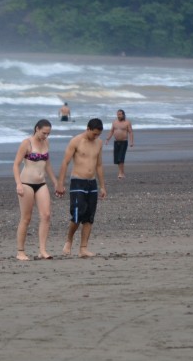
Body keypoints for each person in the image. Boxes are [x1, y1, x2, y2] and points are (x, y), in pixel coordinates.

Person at [56, 118, 107, 258]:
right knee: (77, 215)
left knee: (89, 217)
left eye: (98, 134)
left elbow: (99, 165)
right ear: (88, 129)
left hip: (92, 183)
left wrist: (102, 186)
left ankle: (83, 248)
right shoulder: (76, 141)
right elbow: (65, 162)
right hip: (77, 181)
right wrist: (60, 183)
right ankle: (69, 240)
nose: (96, 137)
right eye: (94, 134)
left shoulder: (99, 143)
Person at [12, 119, 59, 261]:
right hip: (26, 183)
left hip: (41, 183)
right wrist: (18, 184)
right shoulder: (27, 143)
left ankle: (43, 250)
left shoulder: (46, 143)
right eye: (44, 133)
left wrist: (56, 182)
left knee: (46, 215)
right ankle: (20, 251)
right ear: (37, 129)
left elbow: (47, 164)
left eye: (48, 134)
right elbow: (15, 165)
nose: (45, 136)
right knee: (26, 218)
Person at [105, 109, 134, 178]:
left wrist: (131, 141)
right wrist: (107, 139)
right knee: (117, 159)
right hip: (116, 142)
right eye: (117, 114)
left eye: (120, 114)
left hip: (124, 142)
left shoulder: (127, 122)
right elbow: (111, 131)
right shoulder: (114, 122)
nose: (118, 116)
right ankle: (122, 173)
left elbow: (130, 132)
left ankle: (120, 173)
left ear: (123, 115)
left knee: (121, 158)